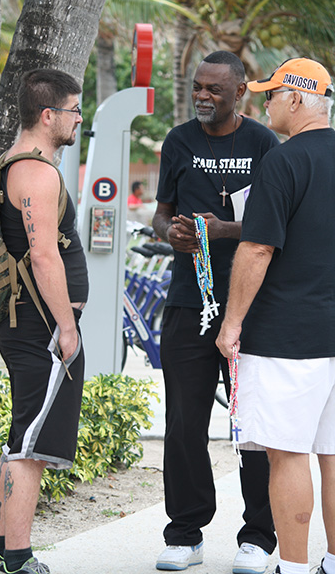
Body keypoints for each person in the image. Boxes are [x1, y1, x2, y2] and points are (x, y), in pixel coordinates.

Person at [152, 50, 279, 573]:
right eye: (197, 87)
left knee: (253, 424)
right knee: (183, 422)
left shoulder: (264, 144)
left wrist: (221, 230)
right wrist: (174, 233)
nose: (203, 96)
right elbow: (161, 214)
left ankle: (258, 537)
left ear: (240, 92)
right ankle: (185, 533)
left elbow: (276, 225)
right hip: (188, 301)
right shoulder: (179, 140)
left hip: (252, 307)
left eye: (215, 90)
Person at [216, 57, 335, 574]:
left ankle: (292, 566)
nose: (264, 104)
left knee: (287, 454)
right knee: (332, 455)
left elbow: (257, 248)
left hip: (289, 336)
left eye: (270, 94)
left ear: (296, 99)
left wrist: (232, 322)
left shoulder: (283, 163)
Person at [0, 69, 89, 574]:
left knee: (21, 437)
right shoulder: (36, 172)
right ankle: (17, 560)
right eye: (74, 110)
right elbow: (43, 256)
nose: (78, 119)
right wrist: (67, 329)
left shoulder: (19, 163)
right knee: (31, 446)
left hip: (26, 323)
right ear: (49, 115)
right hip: (40, 327)